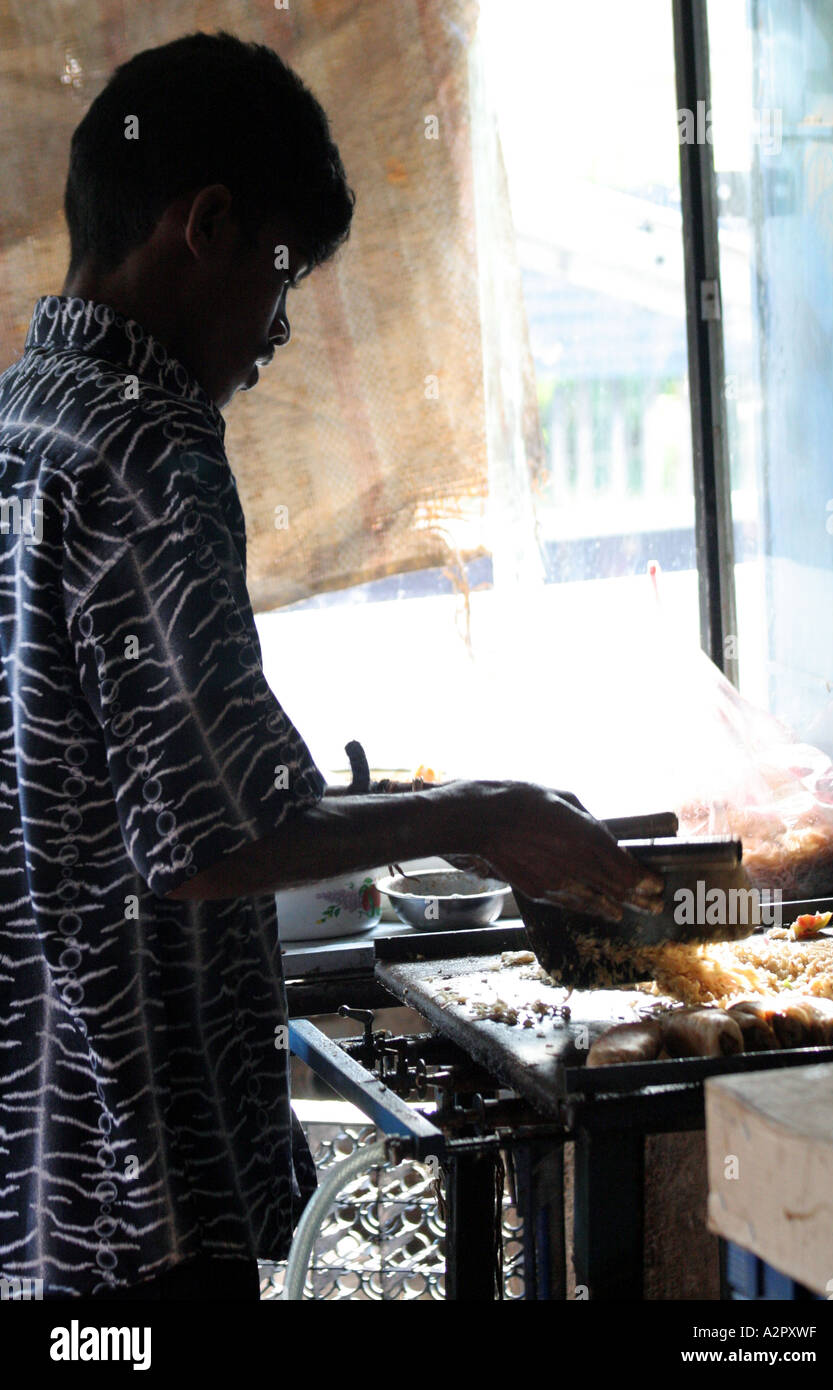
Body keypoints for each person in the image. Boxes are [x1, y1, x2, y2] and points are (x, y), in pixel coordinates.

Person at [0, 31, 663, 1301]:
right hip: (142, 1189)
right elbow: (205, 840)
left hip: (38, 1177)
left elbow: (128, 803)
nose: (282, 326)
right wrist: (482, 814)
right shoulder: (147, 452)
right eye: (282, 270)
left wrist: (467, 816)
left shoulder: (25, 420)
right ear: (206, 225)